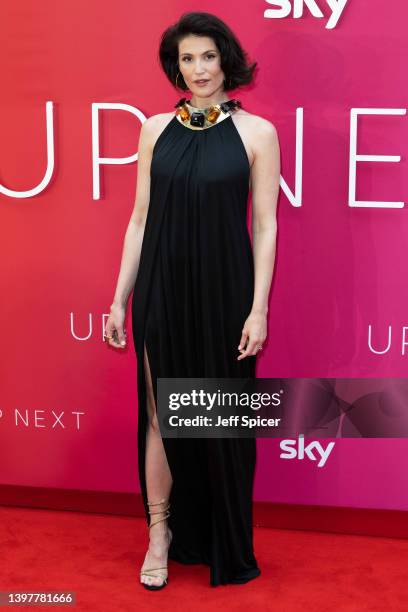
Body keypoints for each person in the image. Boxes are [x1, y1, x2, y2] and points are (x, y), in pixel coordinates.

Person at [104, 11, 280, 590]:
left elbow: (264, 225)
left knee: (220, 420)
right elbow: (138, 220)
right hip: (163, 286)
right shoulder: (154, 129)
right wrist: (119, 299)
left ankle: (223, 538)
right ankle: (160, 532)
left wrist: (258, 309)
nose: (198, 69)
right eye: (187, 58)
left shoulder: (258, 134)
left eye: (207, 56)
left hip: (226, 291)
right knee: (160, 414)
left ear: (226, 60)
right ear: (174, 66)